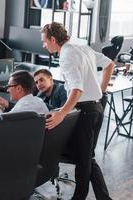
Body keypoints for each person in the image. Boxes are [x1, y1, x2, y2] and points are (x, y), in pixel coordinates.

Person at [41, 22, 114, 200]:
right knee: (88, 158)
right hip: (97, 107)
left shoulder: (66, 55)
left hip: (86, 112)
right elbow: (110, 64)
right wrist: (101, 91)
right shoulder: (81, 47)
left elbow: (77, 89)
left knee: (83, 161)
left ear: (53, 39)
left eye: (44, 41)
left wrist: (61, 114)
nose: (43, 45)